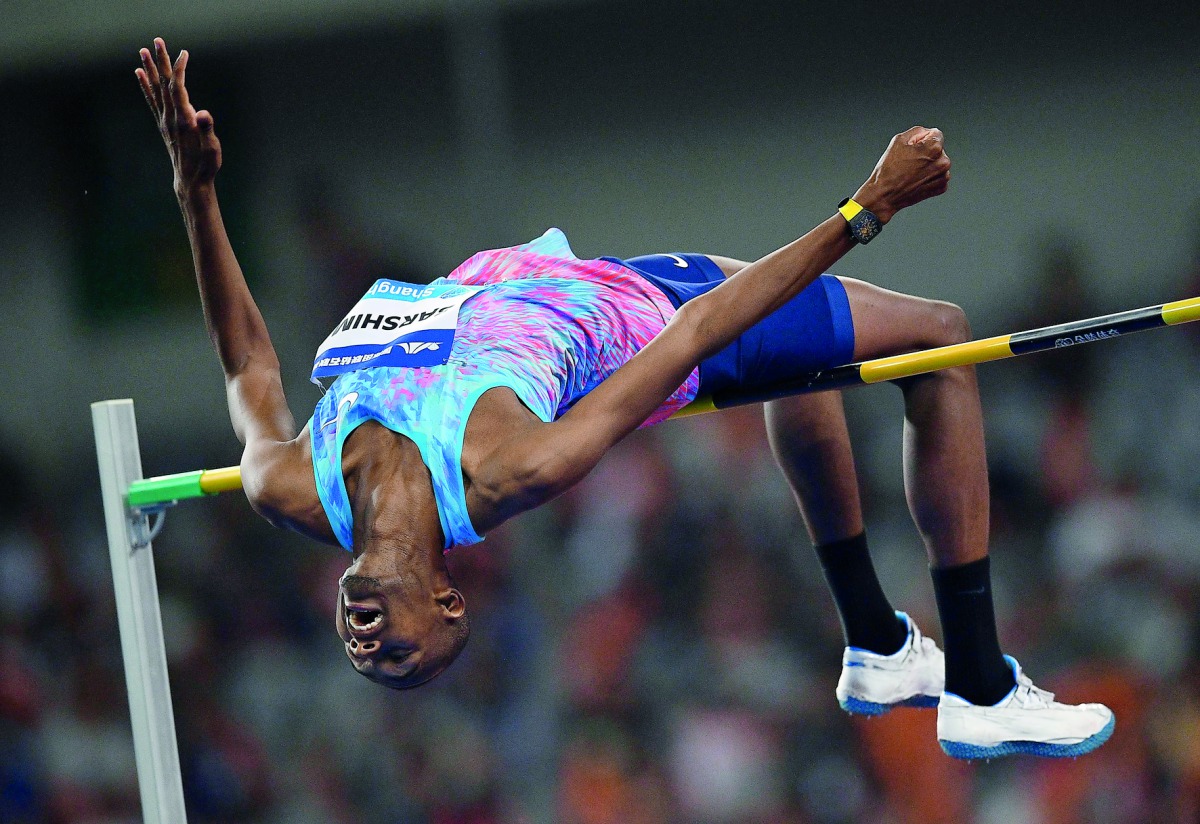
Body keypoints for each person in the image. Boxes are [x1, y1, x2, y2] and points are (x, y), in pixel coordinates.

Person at [136, 38, 1113, 759]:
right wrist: (869, 207)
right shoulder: (516, 463)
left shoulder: (291, 485)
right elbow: (697, 333)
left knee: (800, 368)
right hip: (657, 314)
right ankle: (980, 684)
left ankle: (878, 645)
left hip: (581, 281)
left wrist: (195, 193)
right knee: (940, 332)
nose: (367, 648)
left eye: (370, 657)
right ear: (448, 600)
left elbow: (249, 369)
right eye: (402, 657)